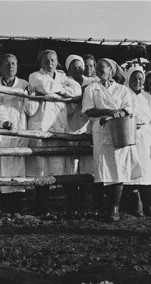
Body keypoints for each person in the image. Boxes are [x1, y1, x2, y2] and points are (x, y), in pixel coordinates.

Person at [82, 59, 141, 222]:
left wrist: (119, 113)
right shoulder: (91, 88)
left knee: (118, 167)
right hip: (100, 130)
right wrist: (109, 111)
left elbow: (128, 107)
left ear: (111, 71)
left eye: (104, 69)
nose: (101, 71)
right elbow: (88, 110)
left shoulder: (122, 90)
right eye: (98, 69)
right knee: (102, 168)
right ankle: (102, 207)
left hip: (119, 130)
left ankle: (114, 207)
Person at [27, 49, 82, 220]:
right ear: (40, 61)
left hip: (60, 127)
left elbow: (77, 90)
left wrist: (57, 91)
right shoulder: (34, 76)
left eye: (52, 60)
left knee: (65, 170)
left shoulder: (63, 77)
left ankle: (73, 209)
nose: (49, 63)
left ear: (57, 62)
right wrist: (62, 90)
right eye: (45, 60)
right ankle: (42, 210)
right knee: (42, 170)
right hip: (42, 127)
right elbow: (46, 86)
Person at [0, 53, 36, 217]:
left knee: (18, 168)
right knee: (4, 167)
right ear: (1, 66)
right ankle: (6, 209)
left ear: (17, 66)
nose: (10, 67)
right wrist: (3, 122)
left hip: (19, 129)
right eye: (7, 64)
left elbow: (31, 110)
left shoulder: (24, 84)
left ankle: (17, 208)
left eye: (13, 63)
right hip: (3, 130)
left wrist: (29, 96)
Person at [125, 66, 151, 217]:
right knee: (132, 171)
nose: (137, 81)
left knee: (148, 173)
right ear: (129, 80)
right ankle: (136, 204)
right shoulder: (124, 95)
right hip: (130, 137)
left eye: (140, 79)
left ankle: (149, 205)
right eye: (134, 79)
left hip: (148, 138)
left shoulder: (150, 98)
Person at [64, 54, 99, 217]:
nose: (77, 69)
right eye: (74, 67)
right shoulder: (64, 82)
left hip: (87, 129)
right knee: (71, 168)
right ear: (68, 69)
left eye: (80, 67)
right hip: (69, 127)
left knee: (87, 166)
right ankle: (72, 204)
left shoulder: (92, 82)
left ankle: (85, 203)